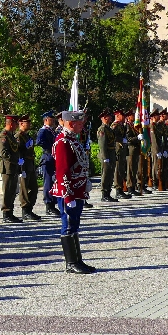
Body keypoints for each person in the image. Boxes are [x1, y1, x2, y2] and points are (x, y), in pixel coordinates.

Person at [52, 111, 95, 275]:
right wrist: (68, 195)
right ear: (71, 123)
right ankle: (71, 263)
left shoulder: (71, 140)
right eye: (80, 124)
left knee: (75, 224)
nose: (82, 126)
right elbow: (62, 170)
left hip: (77, 189)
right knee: (69, 225)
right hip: (68, 191)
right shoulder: (63, 142)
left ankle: (77, 259)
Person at [0, 115, 22, 223]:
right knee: (7, 191)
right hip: (7, 168)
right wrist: (16, 160)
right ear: (11, 124)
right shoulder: (3, 136)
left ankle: (10, 213)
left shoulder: (11, 136)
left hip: (13, 167)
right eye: (16, 124)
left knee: (12, 191)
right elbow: (3, 153)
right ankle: (6, 213)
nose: (17, 126)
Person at [17, 115, 41, 221]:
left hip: (30, 163)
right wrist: (20, 166)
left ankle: (29, 208)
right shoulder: (19, 136)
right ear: (21, 124)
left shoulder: (28, 136)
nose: (29, 124)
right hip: (24, 164)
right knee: (24, 188)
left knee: (34, 188)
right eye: (27, 122)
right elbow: (17, 151)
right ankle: (25, 210)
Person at [36, 111, 58, 216]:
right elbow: (39, 141)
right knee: (48, 182)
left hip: (53, 157)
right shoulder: (43, 130)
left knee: (53, 181)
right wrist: (50, 147)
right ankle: (49, 205)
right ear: (46, 120)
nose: (53, 120)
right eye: (51, 119)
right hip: (48, 157)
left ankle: (53, 203)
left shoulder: (51, 131)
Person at [97, 110, 117, 203]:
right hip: (107, 154)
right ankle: (104, 194)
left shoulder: (108, 128)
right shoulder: (102, 129)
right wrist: (105, 157)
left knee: (110, 174)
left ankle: (108, 193)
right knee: (105, 174)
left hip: (111, 153)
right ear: (105, 118)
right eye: (109, 116)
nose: (111, 117)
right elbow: (102, 144)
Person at [111, 110, 131, 199]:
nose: (124, 117)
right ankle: (118, 190)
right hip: (118, 150)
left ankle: (121, 189)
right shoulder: (115, 126)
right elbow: (113, 137)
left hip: (122, 150)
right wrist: (121, 140)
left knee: (122, 170)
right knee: (118, 170)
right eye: (122, 116)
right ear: (118, 116)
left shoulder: (121, 126)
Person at [124, 111, 142, 196]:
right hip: (130, 148)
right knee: (130, 169)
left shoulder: (133, 125)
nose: (134, 116)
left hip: (135, 148)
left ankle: (133, 186)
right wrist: (136, 138)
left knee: (134, 168)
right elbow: (128, 138)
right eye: (131, 115)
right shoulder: (127, 126)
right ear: (128, 117)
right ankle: (130, 187)